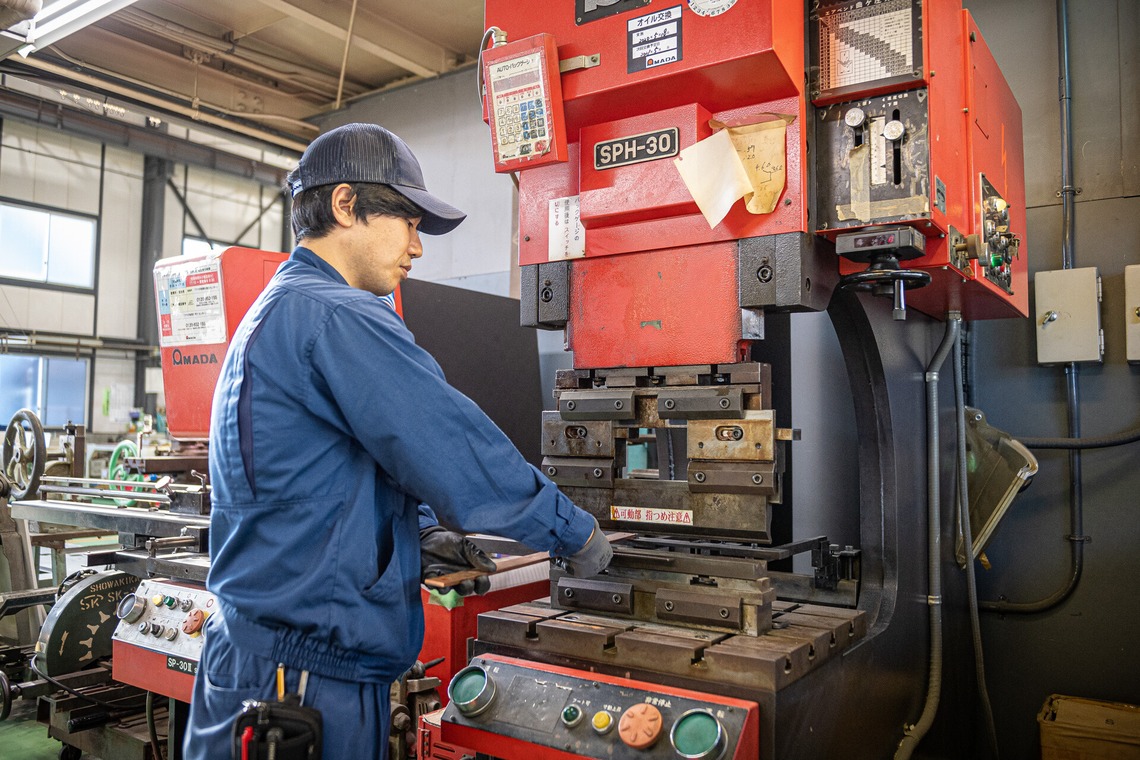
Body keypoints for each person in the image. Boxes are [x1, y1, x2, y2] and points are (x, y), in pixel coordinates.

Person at [184, 122, 613, 760]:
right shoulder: (337, 315)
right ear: (345, 204)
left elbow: (329, 478)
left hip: (265, 661)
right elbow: (452, 444)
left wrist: (415, 539)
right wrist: (575, 534)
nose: (418, 246)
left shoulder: (284, 307)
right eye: (408, 221)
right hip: (301, 683)